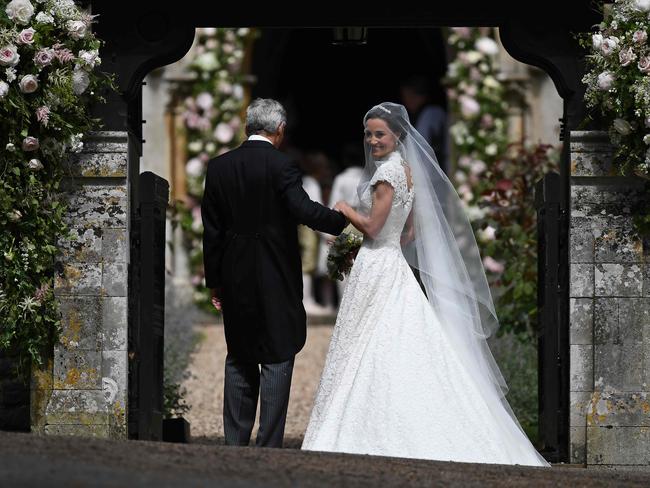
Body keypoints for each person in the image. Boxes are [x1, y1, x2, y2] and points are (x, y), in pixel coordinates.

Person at [301, 102, 549, 467]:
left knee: (370, 340)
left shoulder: (388, 174)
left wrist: (344, 209)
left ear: (398, 135)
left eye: (380, 134)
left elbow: (372, 226)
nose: (373, 140)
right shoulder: (407, 171)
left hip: (378, 266)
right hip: (389, 261)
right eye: (369, 134)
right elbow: (409, 231)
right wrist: (376, 241)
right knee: (388, 337)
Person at [201, 98, 347, 448]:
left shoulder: (219, 167)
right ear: (279, 130)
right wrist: (342, 220)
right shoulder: (282, 166)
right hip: (275, 273)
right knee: (279, 352)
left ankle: (235, 442)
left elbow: (212, 230)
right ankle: (268, 446)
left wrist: (216, 282)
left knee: (239, 353)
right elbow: (302, 209)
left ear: (247, 126)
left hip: (234, 275)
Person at [400, 75, 449, 175]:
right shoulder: (427, 113)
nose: (407, 100)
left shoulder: (431, 113)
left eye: (409, 96)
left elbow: (422, 148)